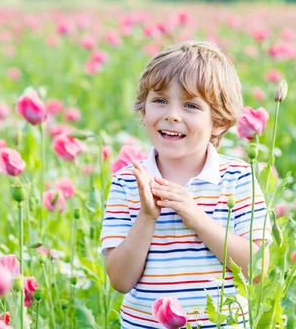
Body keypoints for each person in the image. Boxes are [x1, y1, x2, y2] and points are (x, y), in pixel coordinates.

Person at [100, 40, 271, 328]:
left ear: (219, 122)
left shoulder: (238, 178)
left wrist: (197, 218)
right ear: (143, 111)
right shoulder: (129, 182)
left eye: (191, 105)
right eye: (160, 101)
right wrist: (147, 216)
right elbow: (120, 279)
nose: (172, 115)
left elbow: (256, 269)